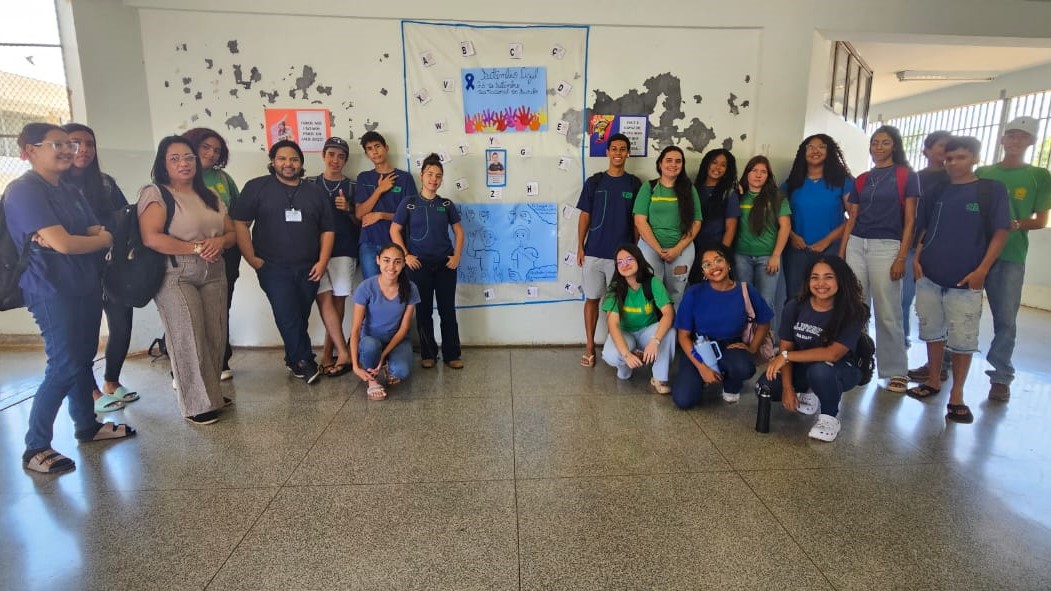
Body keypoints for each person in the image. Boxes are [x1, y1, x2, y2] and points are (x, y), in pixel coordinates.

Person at [5, 123, 133, 474]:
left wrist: (85, 239)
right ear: (29, 151)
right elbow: (67, 243)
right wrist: (90, 240)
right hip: (50, 288)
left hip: (85, 282)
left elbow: (93, 231)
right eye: (57, 144)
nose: (67, 150)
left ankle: (86, 426)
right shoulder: (24, 191)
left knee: (82, 359)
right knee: (63, 363)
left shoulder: (68, 189)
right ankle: (36, 447)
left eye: (69, 144)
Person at [907, 136, 1011, 423]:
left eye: (961, 157)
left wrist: (982, 270)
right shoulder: (937, 190)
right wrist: (917, 259)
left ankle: (957, 395)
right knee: (932, 331)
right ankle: (933, 381)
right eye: (949, 158)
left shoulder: (990, 190)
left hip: (966, 279)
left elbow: (1001, 232)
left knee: (963, 339)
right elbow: (923, 228)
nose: (953, 163)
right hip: (929, 274)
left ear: (975, 158)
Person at [139, 136, 236, 425]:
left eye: (188, 157)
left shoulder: (210, 195)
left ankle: (211, 395)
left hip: (214, 269)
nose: (184, 163)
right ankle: (196, 404)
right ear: (163, 163)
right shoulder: (156, 194)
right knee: (188, 336)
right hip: (177, 272)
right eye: (175, 158)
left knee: (215, 335)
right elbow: (151, 237)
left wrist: (219, 242)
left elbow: (231, 233)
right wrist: (195, 248)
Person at [232, 140, 334, 384]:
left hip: (309, 267)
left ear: (301, 163)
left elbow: (328, 230)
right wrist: (252, 259)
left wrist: (322, 262)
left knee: (299, 315)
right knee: (286, 313)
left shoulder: (315, 192)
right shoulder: (257, 187)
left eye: (294, 159)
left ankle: (292, 358)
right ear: (273, 161)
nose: (288, 164)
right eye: (282, 159)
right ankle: (305, 361)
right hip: (272, 267)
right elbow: (240, 223)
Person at [62, 123, 138, 413]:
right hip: (75, 270)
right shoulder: (54, 186)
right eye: (74, 143)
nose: (83, 149)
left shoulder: (104, 183)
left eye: (89, 143)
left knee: (122, 326)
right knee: (85, 335)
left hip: (111, 266)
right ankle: (91, 392)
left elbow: (124, 218)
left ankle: (111, 381)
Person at [976, 116, 1051, 402]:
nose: (1015, 141)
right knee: (959, 310)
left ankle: (1001, 376)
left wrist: (1014, 224)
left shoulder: (1038, 176)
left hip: (1010, 255)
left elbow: (1041, 220)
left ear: (1031, 141)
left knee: (1005, 318)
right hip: (973, 252)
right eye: (1011, 135)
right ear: (1002, 139)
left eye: (1022, 136)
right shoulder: (983, 172)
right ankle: (943, 364)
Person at [839, 125, 918, 394]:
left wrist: (901, 257)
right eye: (874, 142)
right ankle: (856, 360)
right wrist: (842, 251)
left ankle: (896, 370)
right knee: (855, 307)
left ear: (894, 145)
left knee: (888, 311)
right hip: (857, 244)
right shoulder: (862, 179)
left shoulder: (906, 176)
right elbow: (853, 217)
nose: (878, 147)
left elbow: (910, 220)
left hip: (887, 246)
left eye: (885, 142)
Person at [758, 256, 869, 442]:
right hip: (804, 364)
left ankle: (829, 417)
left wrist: (786, 356)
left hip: (842, 368)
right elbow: (786, 347)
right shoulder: (795, 306)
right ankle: (809, 390)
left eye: (828, 277)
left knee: (820, 371)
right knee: (766, 386)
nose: (821, 283)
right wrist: (787, 387)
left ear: (841, 280)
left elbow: (833, 354)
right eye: (815, 277)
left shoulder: (853, 310)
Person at [672, 244, 773, 408]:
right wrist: (702, 368)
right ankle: (704, 377)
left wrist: (753, 348)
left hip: (731, 347)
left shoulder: (745, 290)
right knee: (684, 399)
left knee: (743, 367)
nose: (714, 267)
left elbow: (764, 321)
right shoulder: (694, 293)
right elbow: (683, 336)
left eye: (718, 260)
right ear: (703, 272)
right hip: (700, 348)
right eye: (707, 264)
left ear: (728, 263)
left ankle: (731, 384)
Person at [390, 153, 465, 369]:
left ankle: (452, 354)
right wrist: (406, 255)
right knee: (423, 312)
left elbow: (459, 232)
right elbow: (394, 230)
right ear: (422, 175)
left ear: (441, 179)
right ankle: (428, 353)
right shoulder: (409, 203)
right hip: (418, 265)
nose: (434, 179)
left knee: (447, 310)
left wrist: (457, 256)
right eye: (430, 174)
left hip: (445, 265)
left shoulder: (446, 204)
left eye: (438, 175)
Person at [575, 133, 642, 367]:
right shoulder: (594, 182)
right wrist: (580, 247)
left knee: (618, 303)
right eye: (614, 148)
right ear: (607, 152)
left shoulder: (634, 184)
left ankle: (618, 347)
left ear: (628, 153)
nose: (618, 153)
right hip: (594, 252)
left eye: (622, 149)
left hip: (622, 258)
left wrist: (636, 253)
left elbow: (637, 222)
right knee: (592, 299)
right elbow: (585, 216)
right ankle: (590, 346)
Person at [182, 127, 241, 381]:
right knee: (188, 311)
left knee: (219, 308)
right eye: (205, 147)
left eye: (216, 150)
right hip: (188, 255)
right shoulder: (178, 178)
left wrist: (226, 242)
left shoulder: (223, 179)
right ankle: (184, 367)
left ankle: (220, 359)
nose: (211, 153)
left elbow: (237, 216)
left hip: (225, 251)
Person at [310, 136, 359, 377]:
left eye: (341, 156)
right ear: (323, 155)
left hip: (344, 249)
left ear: (346, 160)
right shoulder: (309, 184)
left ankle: (329, 353)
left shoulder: (353, 187)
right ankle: (335, 352)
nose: (335, 160)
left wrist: (349, 209)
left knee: (338, 302)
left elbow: (362, 221)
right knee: (323, 300)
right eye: (331, 154)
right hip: (315, 251)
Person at [781, 134, 852, 303]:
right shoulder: (792, 183)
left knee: (829, 297)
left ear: (830, 152)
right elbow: (776, 216)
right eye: (810, 147)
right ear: (803, 153)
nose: (815, 151)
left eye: (821, 147)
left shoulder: (843, 181)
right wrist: (791, 235)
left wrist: (827, 241)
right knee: (796, 297)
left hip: (831, 249)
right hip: (798, 250)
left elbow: (854, 217)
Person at [906, 130, 952, 383]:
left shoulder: (953, 179)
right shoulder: (915, 178)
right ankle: (905, 353)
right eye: (940, 146)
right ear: (926, 150)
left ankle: (941, 364)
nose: (945, 151)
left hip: (938, 249)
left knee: (942, 309)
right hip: (910, 246)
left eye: (948, 147)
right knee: (909, 304)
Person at [600, 243, 676, 393]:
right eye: (620, 262)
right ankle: (627, 363)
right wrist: (626, 354)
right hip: (625, 334)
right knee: (612, 356)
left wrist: (655, 341)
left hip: (647, 332)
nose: (625, 265)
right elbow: (613, 324)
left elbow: (668, 313)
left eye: (629, 259)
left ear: (638, 259)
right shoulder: (614, 289)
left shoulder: (652, 283)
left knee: (670, 332)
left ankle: (659, 378)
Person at [349, 243, 420, 400]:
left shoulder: (411, 288)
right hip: (371, 340)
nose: (391, 267)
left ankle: (387, 364)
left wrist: (383, 355)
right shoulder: (366, 287)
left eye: (397, 261)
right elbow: (355, 330)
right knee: (370, 346)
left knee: (401, 371)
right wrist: (355, 366)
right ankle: (372, 380)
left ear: (404, 263)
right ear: (378, 260)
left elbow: (404, 328)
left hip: (397, 340)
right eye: (386, 260)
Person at [633, 145, 702, 305]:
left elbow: (696, 222)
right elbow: (640, 221)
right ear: (660, 164)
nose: (673, 164)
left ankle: (674, 321)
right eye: (669, 160)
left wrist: (678, 249)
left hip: (682, 250)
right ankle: (656, 321)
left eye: (678, 161)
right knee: (651, 290)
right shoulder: (649, 187)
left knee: (677, 292)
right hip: (650, 248)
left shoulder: (689, 190)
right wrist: (658, 249)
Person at [355, 131, 418, 278]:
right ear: (366, 154)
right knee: (373, 287)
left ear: (386, 148)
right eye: (369, 149)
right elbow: (359, 214)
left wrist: (381, 215)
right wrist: (380, 190)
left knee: (397, 288)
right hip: (369, 242)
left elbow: (412, 214)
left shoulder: (405, 178)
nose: (375, 151)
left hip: (396, 244)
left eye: (377, 146)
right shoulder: (364, 178)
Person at [734, 155, 791, 314]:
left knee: (766, 303)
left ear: (768, 176)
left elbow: (785, 226)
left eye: (763, 172)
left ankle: (766, 332)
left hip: (768, 257)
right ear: (747, 173)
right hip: (741, 257)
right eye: (754, 170)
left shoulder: (777, 197)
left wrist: (776, 255)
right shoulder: (738, 196)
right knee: (743, 302)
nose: (758, 175)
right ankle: (745, 332)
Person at [692, 148, 740, 252]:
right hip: (692, 248)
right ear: (706, 164)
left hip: (715, 249)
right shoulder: (693, 190)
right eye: (714, 162)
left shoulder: (729, 194)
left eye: (723, 165)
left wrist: (721, 253)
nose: (718, 167)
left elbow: (731, 228)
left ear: (727, 169)